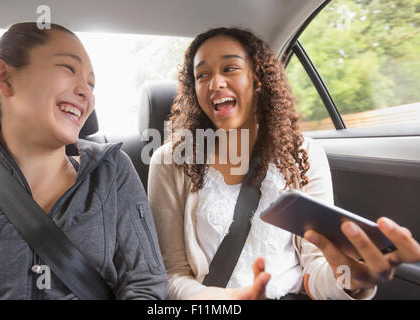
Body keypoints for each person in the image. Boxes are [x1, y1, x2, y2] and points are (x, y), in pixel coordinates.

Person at [147, 27, 420, 300]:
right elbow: (172, 276)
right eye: (202, 75)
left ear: (257, 79)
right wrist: (232, 299)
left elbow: (315, 267)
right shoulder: (170, 161)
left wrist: (348, 279)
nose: (215, 83)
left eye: (230, 68)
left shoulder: (304, 154)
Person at [0, 22, 167, 299]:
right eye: (67, 68)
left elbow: (146, 284)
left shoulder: (112, 172)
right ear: (3, 77)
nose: (86, 92)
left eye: (91, 83)